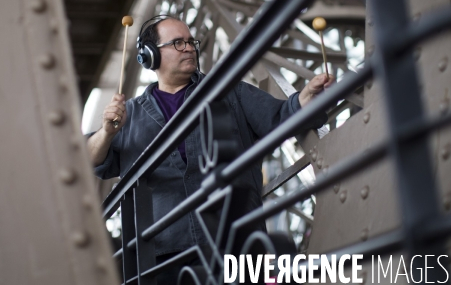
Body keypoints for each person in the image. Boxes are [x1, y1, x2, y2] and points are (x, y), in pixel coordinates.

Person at [88, 16, 334, 283]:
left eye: (191, 42)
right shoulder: (128, 115)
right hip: (160, 256)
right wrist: (107, 132)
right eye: (178, 43)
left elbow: (282, 115)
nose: (190, 48)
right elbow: (89, 161)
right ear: (149, 56)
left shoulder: (228, 91)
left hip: (235, 242)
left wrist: (307, 97)